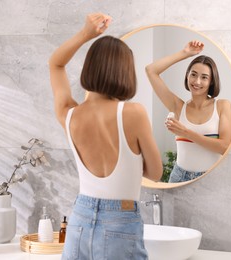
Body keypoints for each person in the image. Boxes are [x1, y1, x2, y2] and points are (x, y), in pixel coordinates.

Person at [49, 13, 162, 260]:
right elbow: (155, 173)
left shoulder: (69, 114)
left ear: (90, 67)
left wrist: (85, 34)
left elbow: (56, 64)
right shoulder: (133, 113)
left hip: (79, 219)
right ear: (125, 73)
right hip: (120, 223)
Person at [145, 40, 231, 183]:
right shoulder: (178, 107)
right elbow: (151, 70)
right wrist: (185, 53)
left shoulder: (222, 106)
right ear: (187, 76)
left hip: (210, 178)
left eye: (204, 77)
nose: (197, 81)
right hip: (178, 177)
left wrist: (185, 132)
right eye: (193, 74)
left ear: (211, 81)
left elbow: (224, 147)